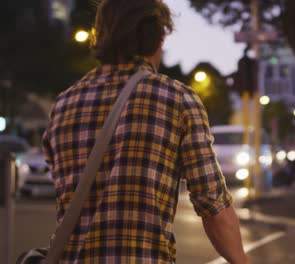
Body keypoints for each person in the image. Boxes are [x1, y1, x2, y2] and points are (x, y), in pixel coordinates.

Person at [41, 1, 249, 263]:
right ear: (158, 36)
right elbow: (213, 205)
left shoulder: (63, 105)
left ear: (101, 35)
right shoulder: (177, 100)